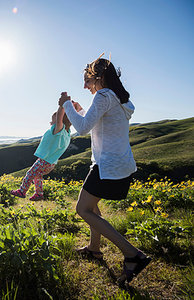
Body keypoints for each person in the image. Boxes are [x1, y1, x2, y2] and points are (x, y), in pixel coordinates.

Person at [58, 54, 151, 285]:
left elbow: (81, 129)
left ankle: (133, 255)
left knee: (83, 209)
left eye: (87, 80)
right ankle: (94, 249)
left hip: (106, 165)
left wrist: (66, 105)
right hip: (119, 164)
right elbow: (91, 123)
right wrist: (79, 111)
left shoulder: (103, 95)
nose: (85, 85)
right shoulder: (118, 99)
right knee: (92, 205)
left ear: (98, 77)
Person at [11, 105, 76, 201]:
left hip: (45, 160)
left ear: (60, 122)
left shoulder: (59, 130)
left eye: (53, 121)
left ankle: (22, 191)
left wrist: (62, 105)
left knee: (30, 173)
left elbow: (59, 117)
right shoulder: (67, 133)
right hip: (51, 162)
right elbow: (69, 119)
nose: (51, 123)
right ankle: (39, 193)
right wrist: (74, 109)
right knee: (37, 175)